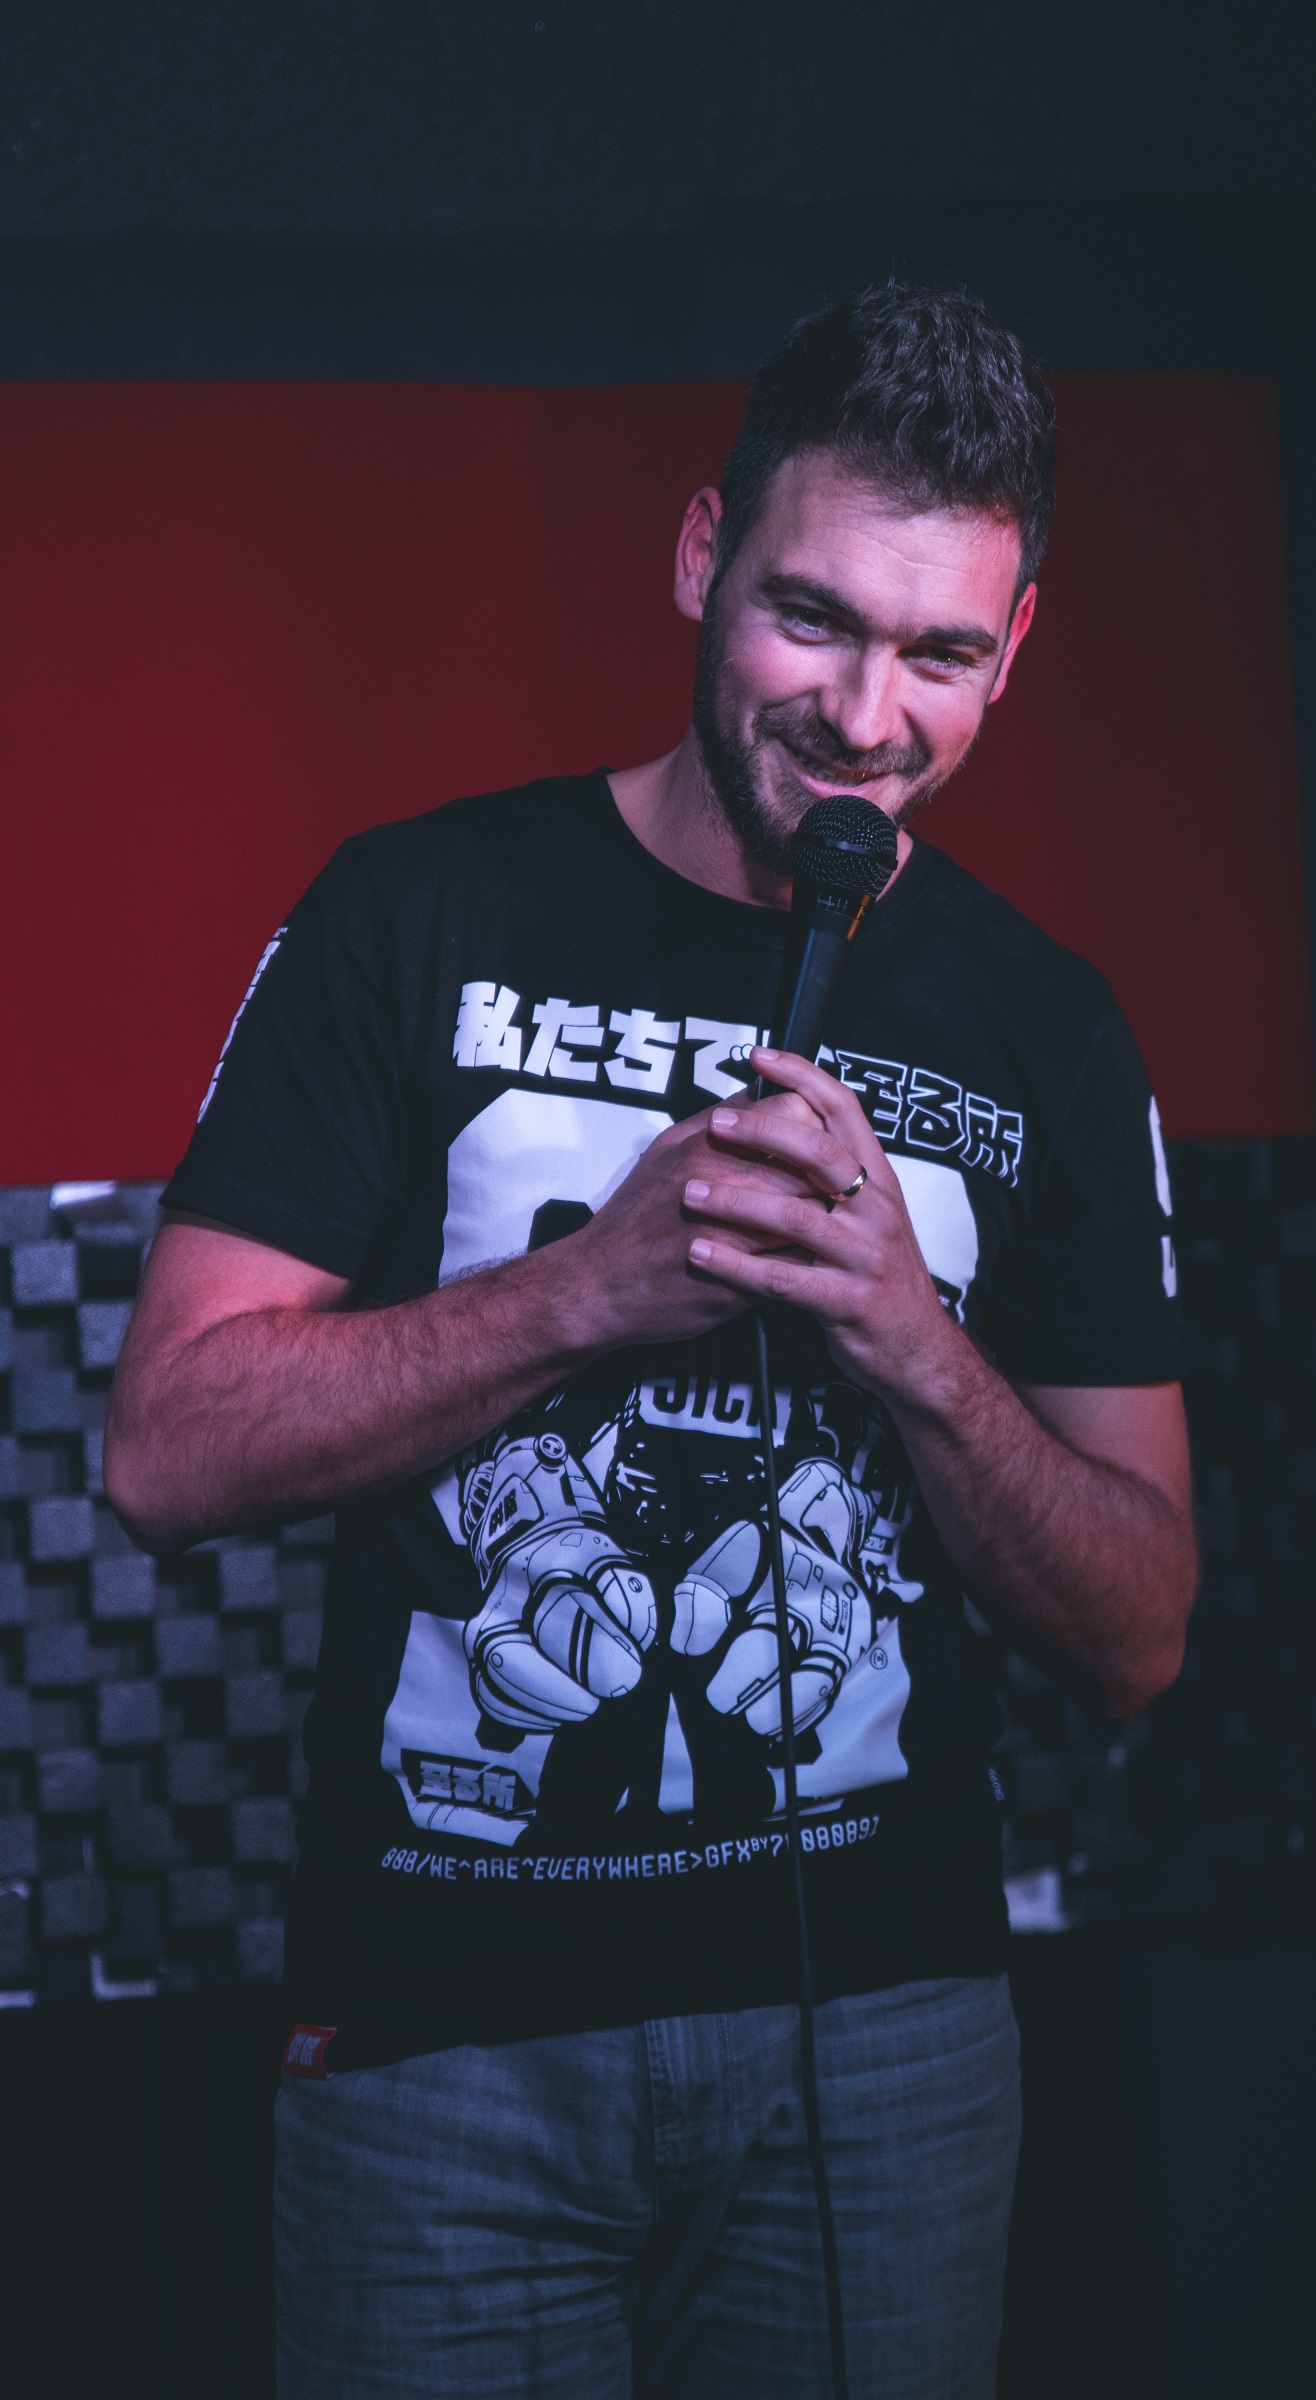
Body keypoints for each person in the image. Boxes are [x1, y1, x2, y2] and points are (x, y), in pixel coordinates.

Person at [105, 283, 1196, 2400]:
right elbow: (166, 1448)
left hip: (882, 2053)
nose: (865, 716)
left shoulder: (1045, 1025)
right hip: (446, 2052)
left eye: (938, 654)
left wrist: (910, 1341)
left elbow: (1141, 1630)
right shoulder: (416, 916)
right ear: (702, 558)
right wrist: (579, 1293)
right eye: (812, 619)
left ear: (1012, 649)